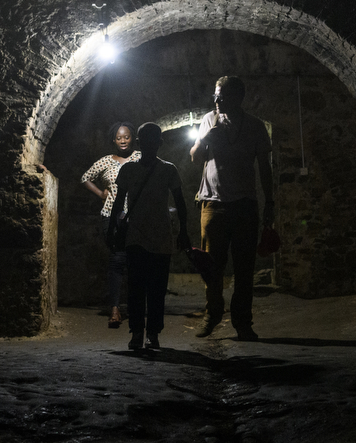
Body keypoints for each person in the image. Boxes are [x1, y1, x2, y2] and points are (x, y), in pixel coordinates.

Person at [190, 75, 274, 341]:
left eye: (222, 96)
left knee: (244, 268)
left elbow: (264, 167)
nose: (216, 100)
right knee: (211, 266)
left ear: (238, 98)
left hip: (244, 205)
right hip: (212, 204)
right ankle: (212, 314)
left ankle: (242, 322)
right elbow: (194, 157)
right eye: (215, 95)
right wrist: (206, 141)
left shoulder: (255, 127)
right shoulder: (208, 121)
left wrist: (269, 202)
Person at [107, 122, 190, 351]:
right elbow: (180, 203)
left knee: (137, 287)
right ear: (158, 143)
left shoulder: (132, 170)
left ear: (137, 143)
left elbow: (118, 202)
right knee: (155, 289)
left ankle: (139, 333)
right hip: (156, 237)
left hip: (141, 236)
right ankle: (150, 333)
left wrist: (112, 230)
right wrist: (183, 230)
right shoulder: (168, 169)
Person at [81, 122, 140, 328]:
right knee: (116, 259)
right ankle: (115, 309)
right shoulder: (106, 161)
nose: (123, 140)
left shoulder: (139, 158)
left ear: (133, 138)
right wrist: (101, 193)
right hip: (111, 215)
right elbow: (85, 178)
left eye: (127, 137)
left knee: (135, 261)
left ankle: (135, 308)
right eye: (118, 137)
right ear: (113, 140)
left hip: (136, 216)